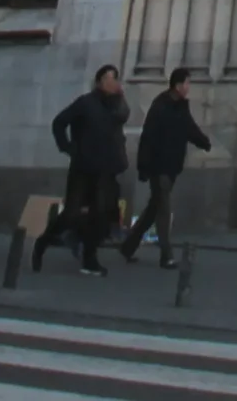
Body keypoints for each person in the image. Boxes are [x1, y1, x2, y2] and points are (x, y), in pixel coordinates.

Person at [36, 64, 131, 277]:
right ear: (98, 82)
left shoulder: (114, 106)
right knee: (71, 213)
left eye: (115, 79)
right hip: (83, 167)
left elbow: (123, 115)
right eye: (108, 79)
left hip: (105, 170)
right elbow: (59, 122)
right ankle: (43, 242)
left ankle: (90, 260)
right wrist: (68, 148)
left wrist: (120, 96)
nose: (112, 83)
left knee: (99, 216)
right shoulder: (86, 103)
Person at [121, 67, 210, 268]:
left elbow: (189, 128)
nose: (188, 88)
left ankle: (128, 245)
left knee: (154, 208)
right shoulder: (161, 106)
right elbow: (148, 137)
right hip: (158, 166)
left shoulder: (181, 106)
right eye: (187, 83)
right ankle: (166, 254)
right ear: (178, 85)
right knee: (163, 208)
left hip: (172, 166)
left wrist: (204, 142)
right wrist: (143, 167)